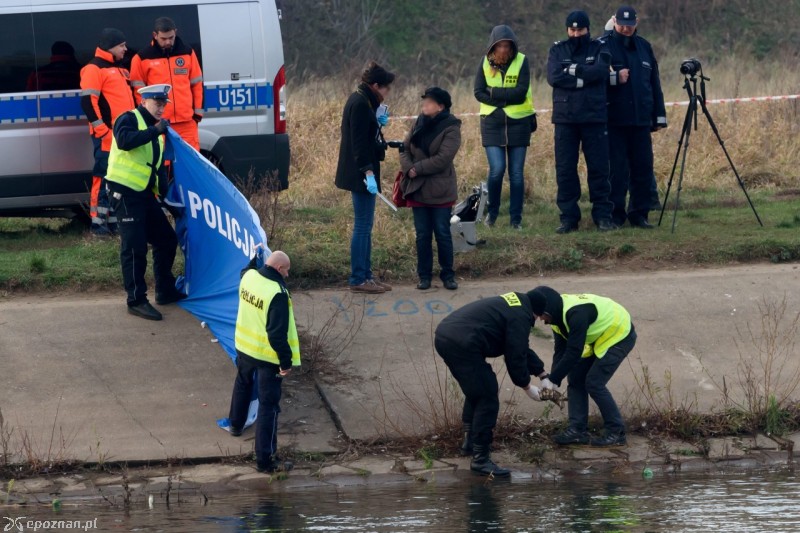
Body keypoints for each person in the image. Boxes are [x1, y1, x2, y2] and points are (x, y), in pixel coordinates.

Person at [434, 291, 548, 476]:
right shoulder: (521, 316)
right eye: (539, 317)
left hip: (446, 335)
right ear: (536, 311)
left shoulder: (515, 304)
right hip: (463, 342)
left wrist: (542, 374)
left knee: (477, 390)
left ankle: (470, 443)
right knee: (487, 396)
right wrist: (526, 386)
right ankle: (480, 459)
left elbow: (520, 348)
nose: (538, 321)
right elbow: (515, 355)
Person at [105, 84, 186, 321]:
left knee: (166, 239)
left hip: (143, 195)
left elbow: (157, 172)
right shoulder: (128, 119)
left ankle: (165, 290)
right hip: (124, 193)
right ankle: (136, 300)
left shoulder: (156, 134)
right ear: (144, 102)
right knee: (134, 247)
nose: (161, 108)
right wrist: (156, 130)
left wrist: (169, 203)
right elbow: (124, 141)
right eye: (157, 103)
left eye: (164, 105)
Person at [527, 286, 637, 447]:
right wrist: (551, 380)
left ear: (548, 310)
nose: (540, 319)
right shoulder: (557, 318)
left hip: (619, 334)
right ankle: (577, 430)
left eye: (540, 315)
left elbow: (574, 351)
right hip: (597, 337)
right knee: (576, 378)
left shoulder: (576, 314)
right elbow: (560, 351)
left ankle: (616, 432)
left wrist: (554, 379)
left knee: (594, 383)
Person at [228, 249, 299, 474]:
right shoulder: (277, 293)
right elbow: (276, 334)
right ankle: (265, 460)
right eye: (286, 271)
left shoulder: (249, 277)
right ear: (279, 268)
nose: (287, 275)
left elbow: (245, 269)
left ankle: (236, 425)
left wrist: (253, 255)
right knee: (269, 407)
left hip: (244, 347)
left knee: (242, 385)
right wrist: (286, 362)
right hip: (267, 357)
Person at [547, 11, 616, 234]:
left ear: (588, 29)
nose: (576, 34)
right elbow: (554, 77)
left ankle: (603, 216)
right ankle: (568, 218)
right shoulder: (557, 49)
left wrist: (573, 71)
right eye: (572, 30)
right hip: (565, 119)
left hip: (594, 117)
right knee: (565, 169)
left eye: (580, 30)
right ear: (567, 30)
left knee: (599, 168)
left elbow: (600, 72)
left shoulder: (599, 48)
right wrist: (584, 79)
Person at [334, 61, 395, 294]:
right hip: (360, 173)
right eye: (386, 88)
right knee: (362, 226)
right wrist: (368, 173)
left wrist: (378, 124)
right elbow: (358, 144)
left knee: (366, 226)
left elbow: (366, 136)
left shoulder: (364, 100)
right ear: (376, 85)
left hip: (362, 170)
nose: (387, 92)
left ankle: (366, 275)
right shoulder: (360, 103)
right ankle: (358, 277)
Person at [606, 6, 667, 228]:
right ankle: (615, 214)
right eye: (621, 24)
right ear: (614, 22)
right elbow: (596, 78)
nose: (625, 28)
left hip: (641, 119)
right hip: (615, 120)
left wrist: (659, 115)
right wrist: (614, 77)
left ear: (636, 23)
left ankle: (639, 213)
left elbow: (654, 83)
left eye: (629, 25)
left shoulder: (644, 47)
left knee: (643, 168)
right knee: (617, 171)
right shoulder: (603, 46)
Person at [474, 25, 536, 230]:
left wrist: (494, 93)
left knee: (516, 173)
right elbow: (478, 92)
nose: (503, 49)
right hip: (492, 123)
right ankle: (492, 215)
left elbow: (521, 92)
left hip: (519, 122)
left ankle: (515, 220)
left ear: (512, 46)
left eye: (506, 46)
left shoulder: (522, 61)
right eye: (499, 45)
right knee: (497, 170)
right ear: (493, 46)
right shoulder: (484, 62)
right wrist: (502, 100)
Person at [399, 87, 461, 291]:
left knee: (442, 233)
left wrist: (418, 168)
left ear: (440, 106)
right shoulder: (419, 122)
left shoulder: (451, 127)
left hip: (440, 190)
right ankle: (424, 276)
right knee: (422, 234)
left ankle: (448, 275)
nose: (424, 104)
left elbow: (443, 158)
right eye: (424, 101)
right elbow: (405, 148)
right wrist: (408, 169)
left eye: (429, 101)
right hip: (418, 189)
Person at [79, 29, 135, 236]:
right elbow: (87, 102)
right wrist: (103, 131)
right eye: (122, 45)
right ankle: (98, 224)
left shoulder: (119, 69)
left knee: (115, 179)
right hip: (107, 136)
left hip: (120, 135)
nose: (125, 49)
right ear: (111, 46)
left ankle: (111, 221)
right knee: (102, 177)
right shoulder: (94, 69)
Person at [130, 17, 204, 150]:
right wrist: (147, 118)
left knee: (188, 164)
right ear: (155, 35)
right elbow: (138, 91)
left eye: (171, 37)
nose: (168, 42)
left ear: (175, 32)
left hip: (187, 122)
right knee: (161, 164)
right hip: (158, 122)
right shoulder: (142, 58)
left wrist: (197, 115)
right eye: (163, 39)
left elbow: (197, 84)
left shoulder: (187, 52)